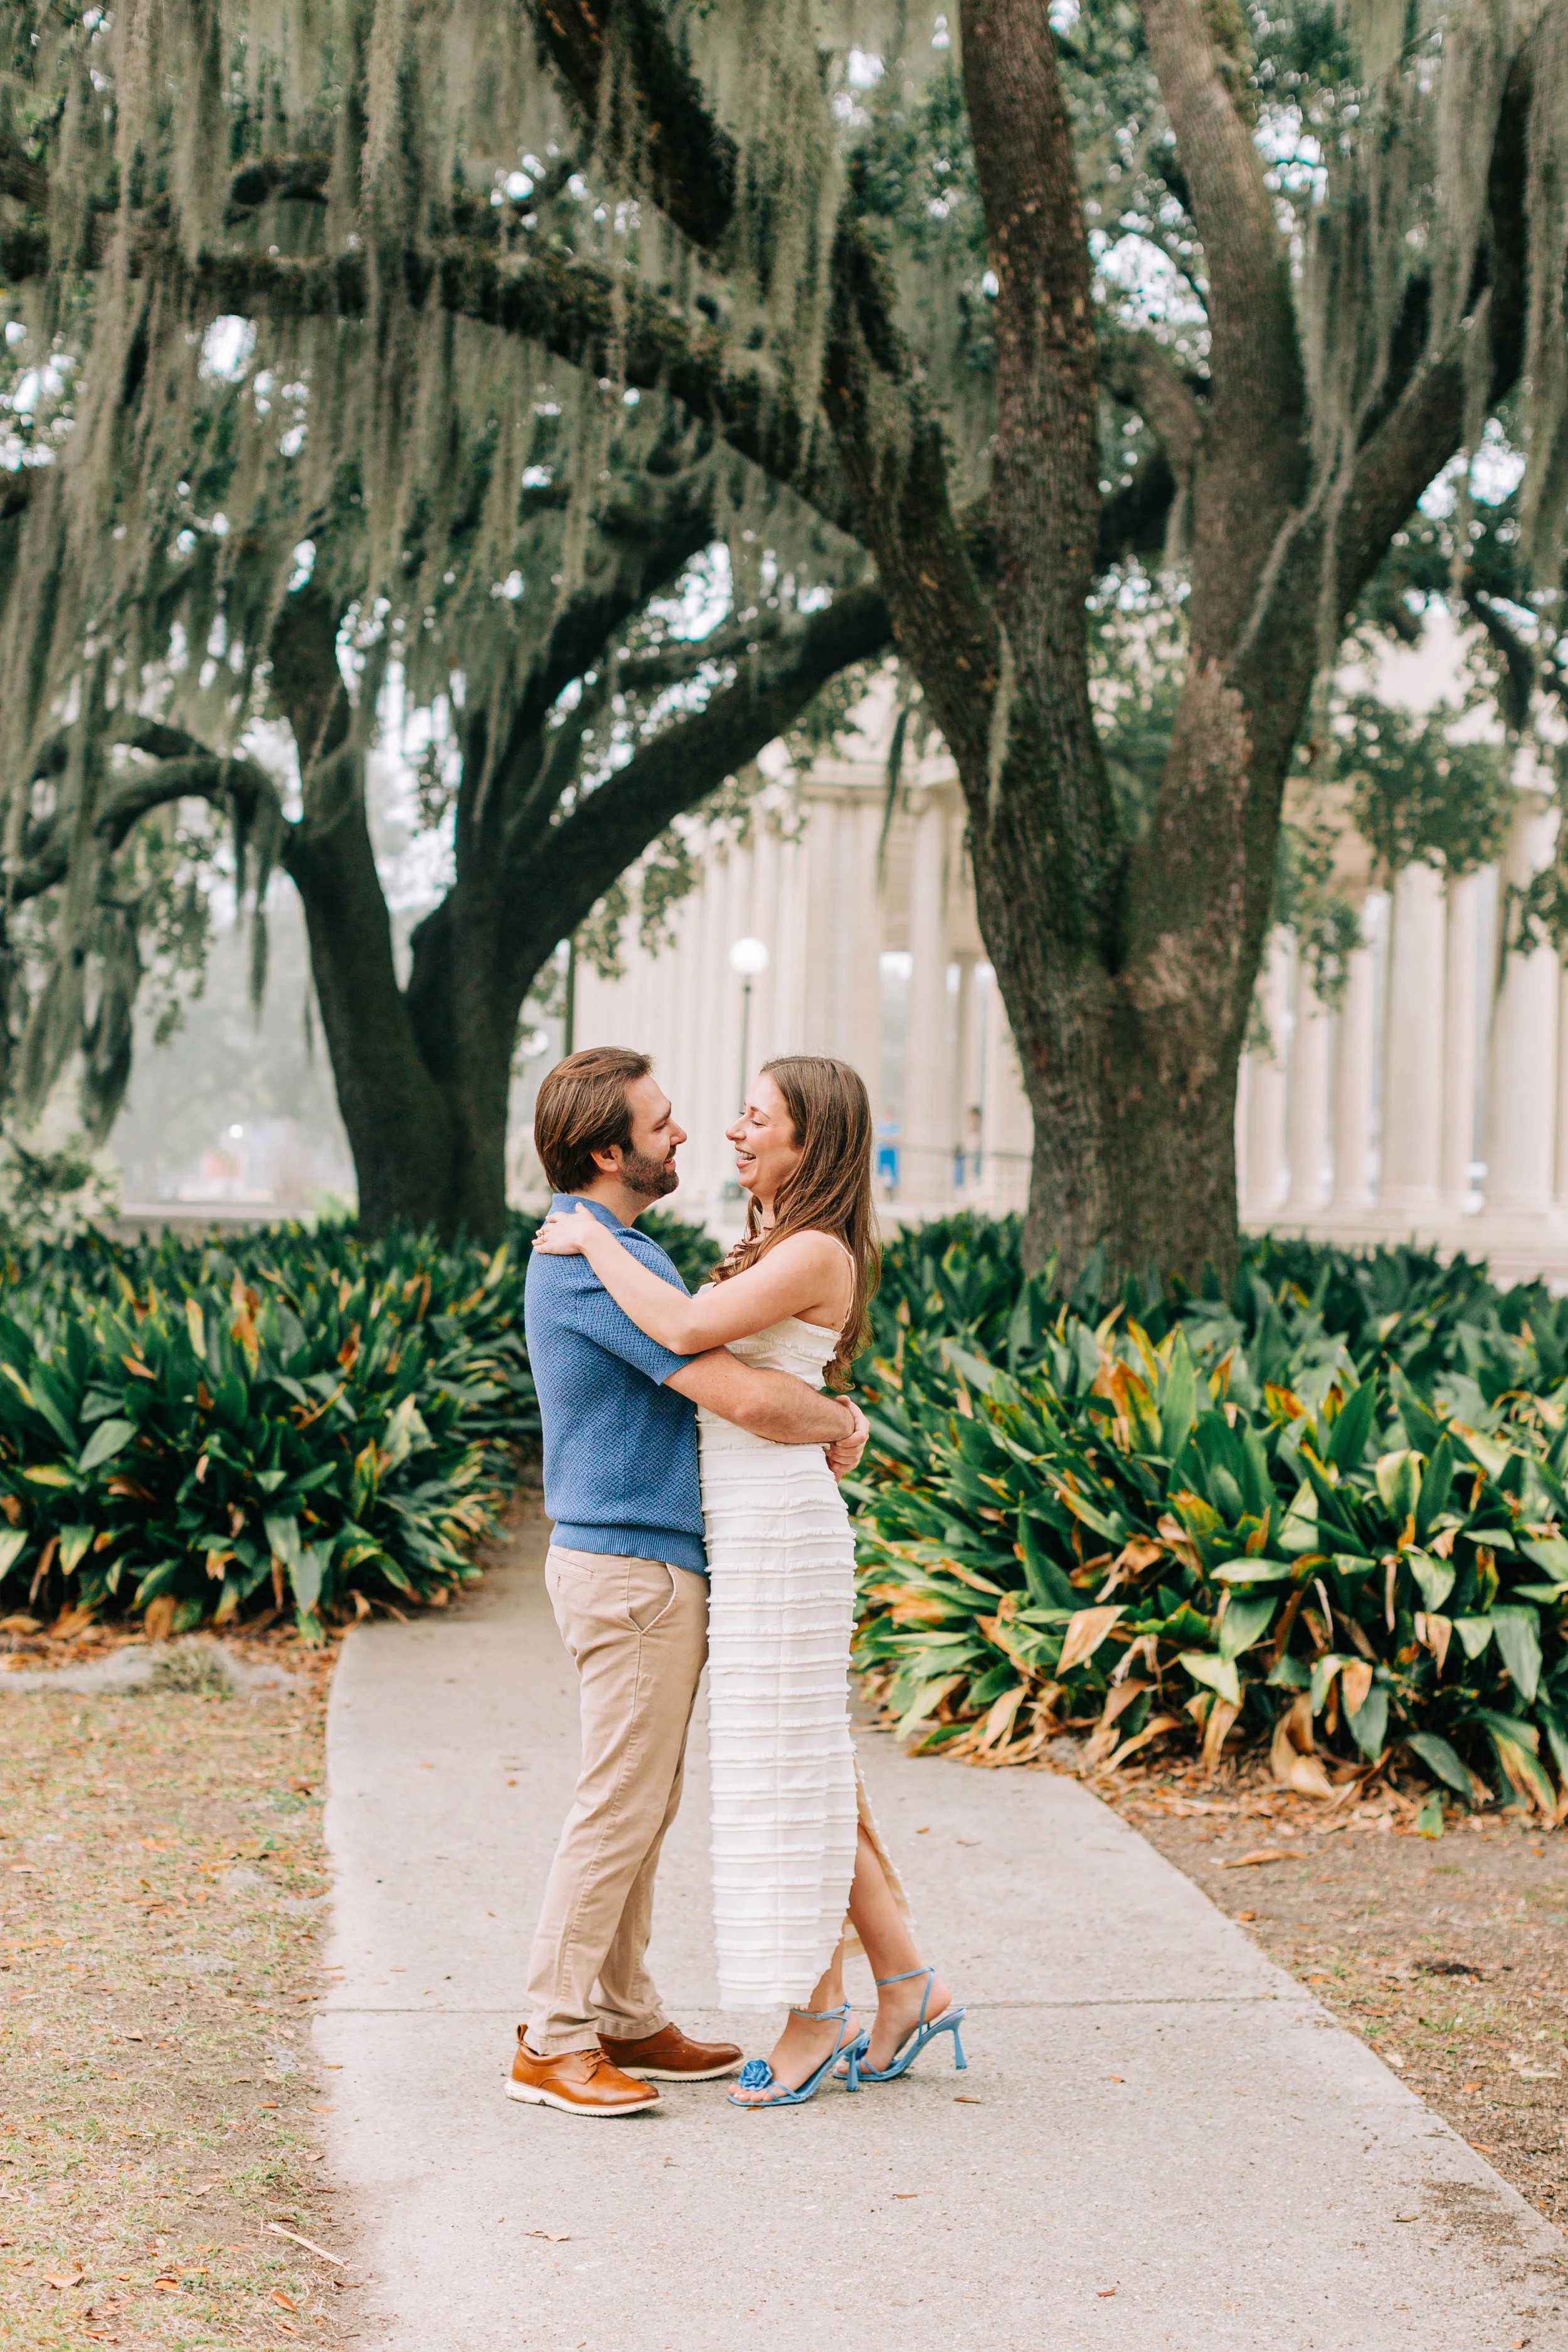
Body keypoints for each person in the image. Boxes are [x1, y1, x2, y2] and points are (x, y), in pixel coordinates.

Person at [534, 1054, 963, 2109]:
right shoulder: (592, 1256)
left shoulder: (661, 1248)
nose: (708, 1132)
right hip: (650, 1554)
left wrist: (837, 1418)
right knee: (712, 1778)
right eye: (672, 1120)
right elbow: (741, 1390)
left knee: (783, 1761)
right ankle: (557, 2033)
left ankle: (839, 1997)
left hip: (750, 1535)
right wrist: (843, 1419)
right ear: (608, 1148)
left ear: (809, 1140)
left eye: (749, 1115)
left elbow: (738, 1372)